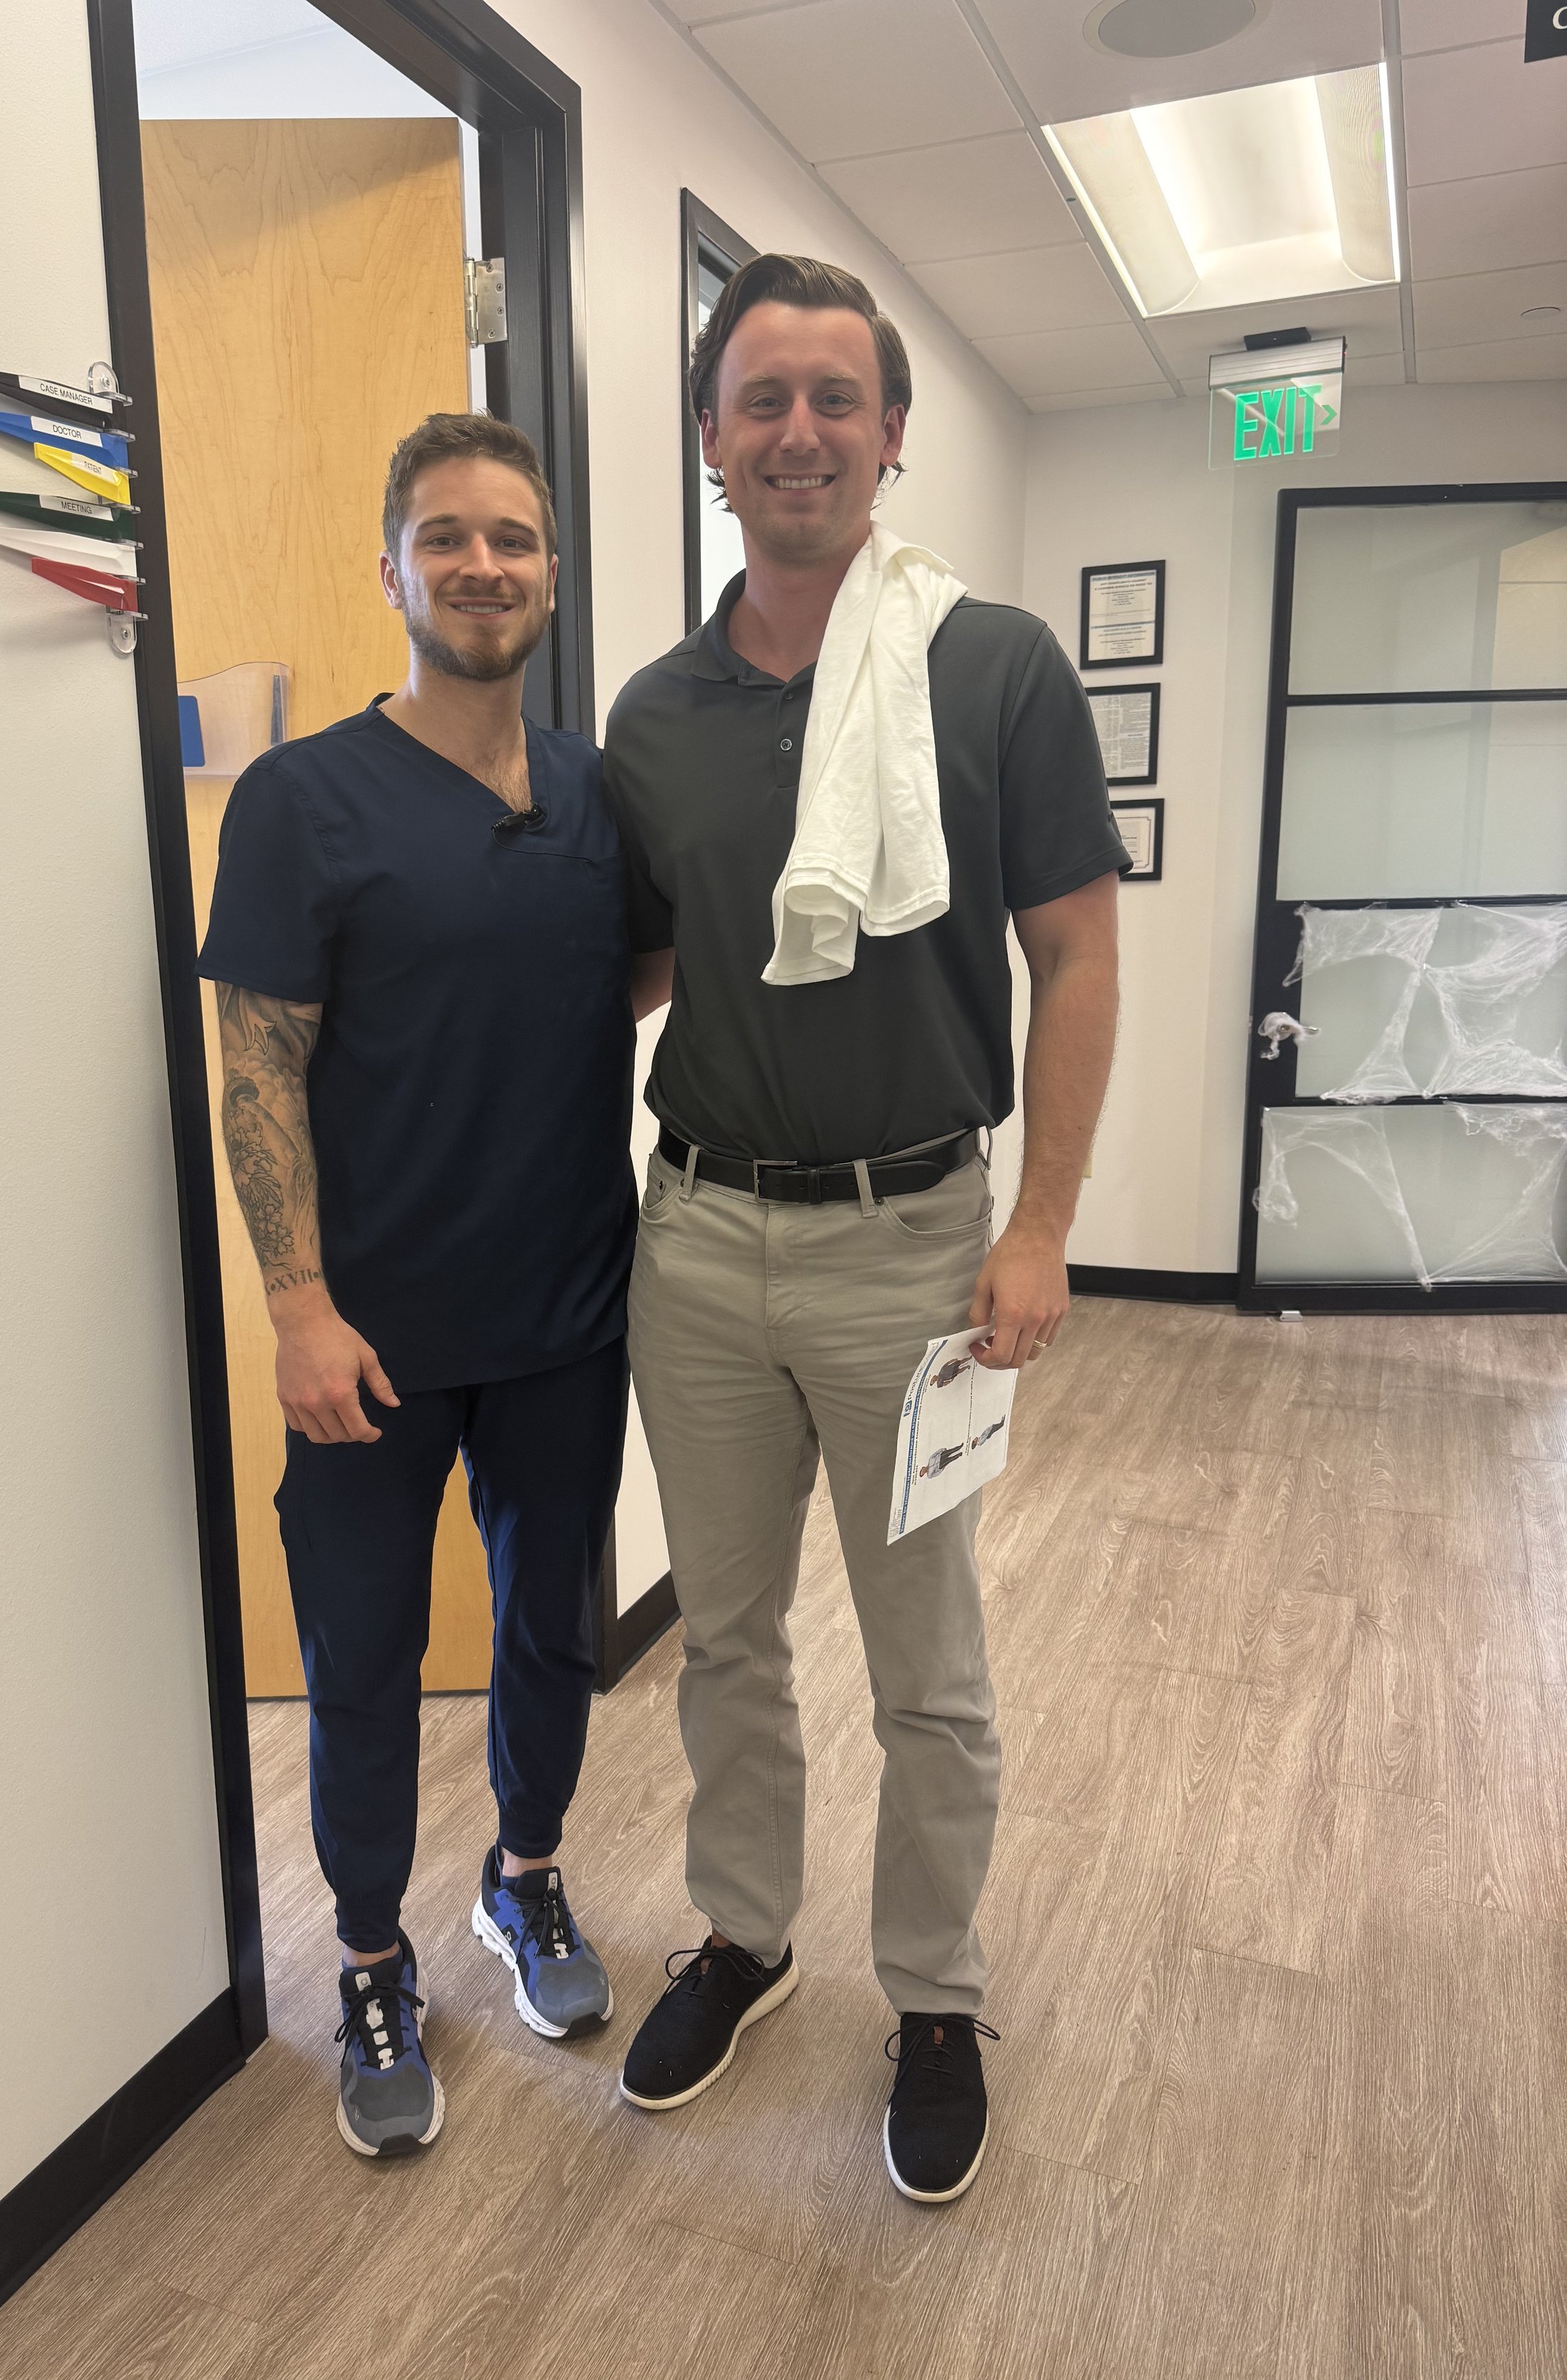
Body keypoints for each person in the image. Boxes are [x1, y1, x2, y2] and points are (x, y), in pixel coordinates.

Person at [604, 256, 1126, 2203]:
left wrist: (1041, 1221)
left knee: (928, 1665)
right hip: (697, 1243)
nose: (800, 431)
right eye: (762, 398)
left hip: (911, 1244)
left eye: (836, 396)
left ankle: (932, 1991)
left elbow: (1074, 953)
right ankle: (743, 1933)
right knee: (725, 1639)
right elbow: (639, 960)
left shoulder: (992, 667)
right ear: (710, 436)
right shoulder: (653, 712)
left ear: (890, 433)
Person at [199, 413, 656, 2160]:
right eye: (445, 536)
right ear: (391, 567)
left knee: (546, 1630)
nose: (481, 564)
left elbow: (626, 970)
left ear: (550, 571)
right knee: (364, 1657)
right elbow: (257, 1059)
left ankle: (523, 1876)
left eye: (512, 537)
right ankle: (373, 1957)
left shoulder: (594, 793)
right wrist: (297, 1308)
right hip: (370, 1339)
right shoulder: (301, 798)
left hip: (566, 1310)